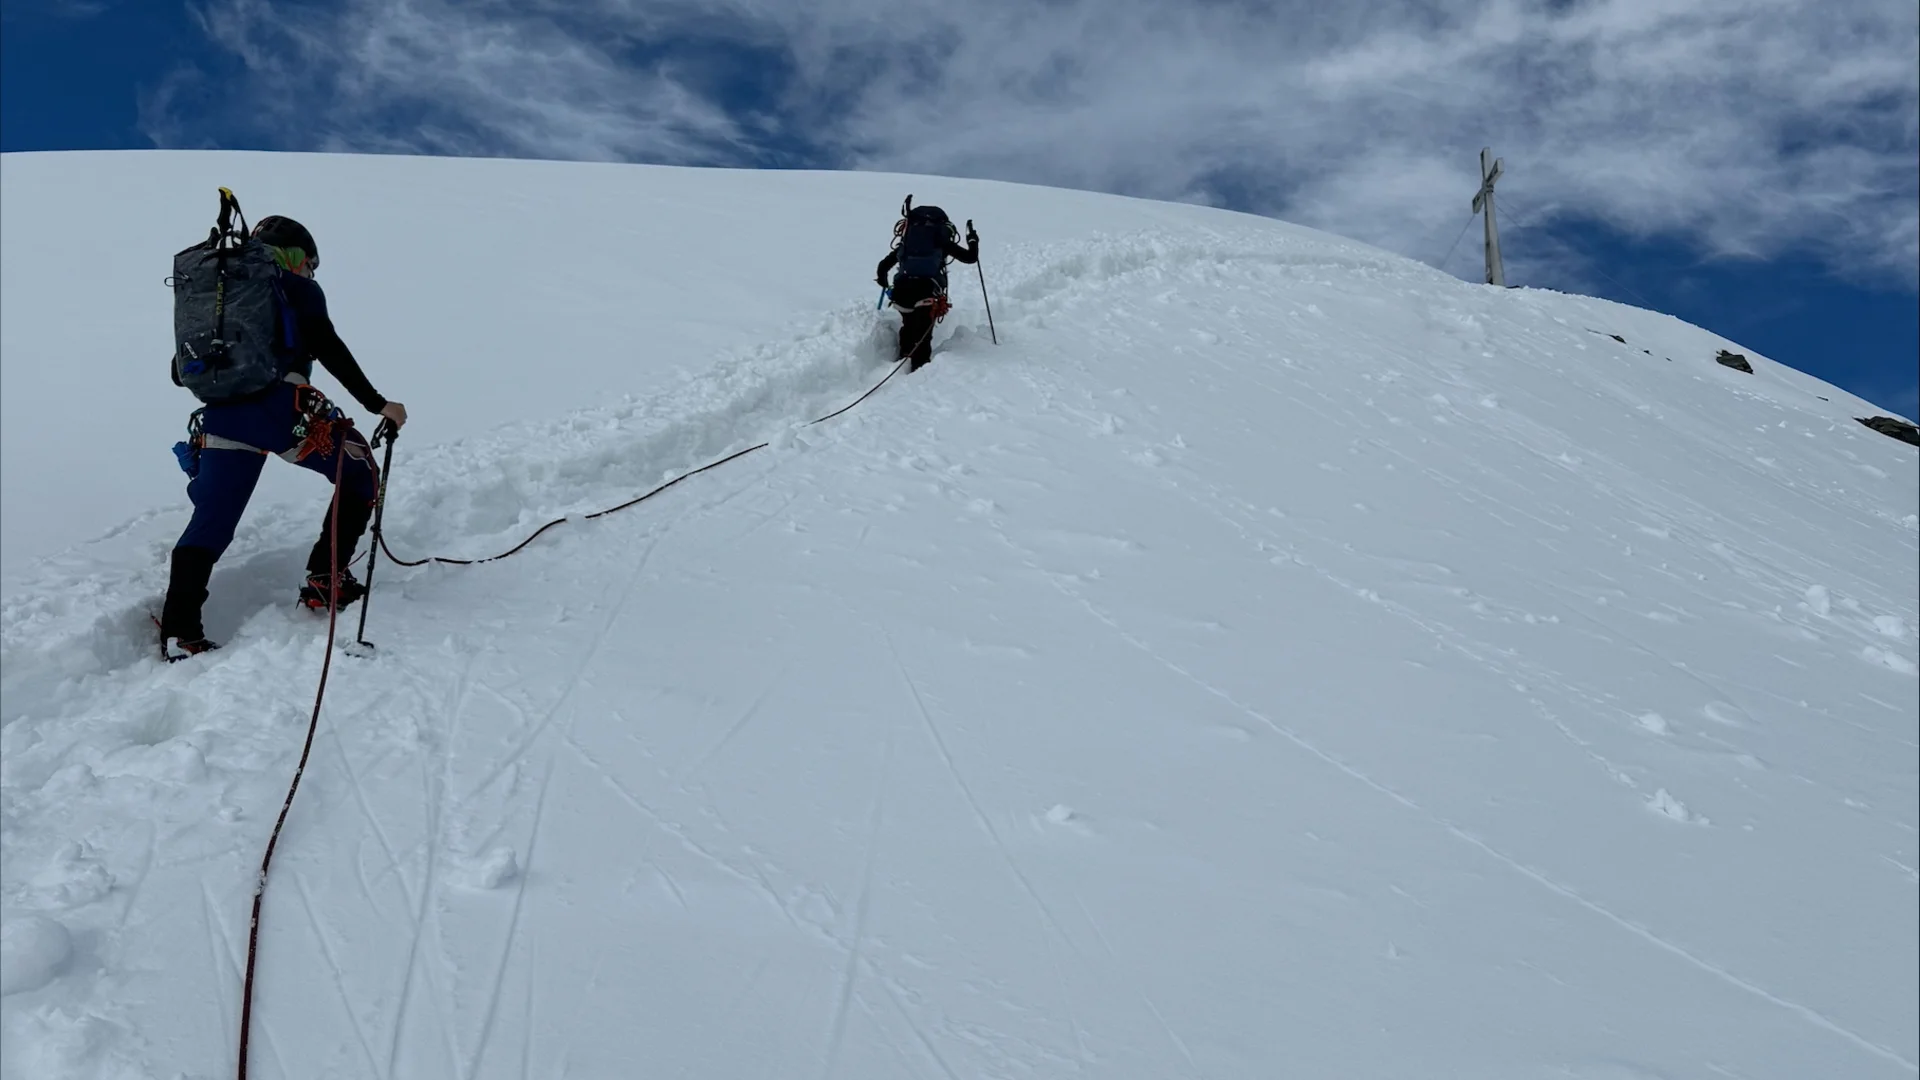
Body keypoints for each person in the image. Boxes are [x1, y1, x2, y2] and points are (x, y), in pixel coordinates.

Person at [158, 215, 408, 660]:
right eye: (310, 264)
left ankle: (180, 630)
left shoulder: (216, 293)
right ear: (297, 257)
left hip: (220, 417)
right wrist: (378, 403)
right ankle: (326, 579)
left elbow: (180, 370)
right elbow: (329, 346)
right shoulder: (295, 288)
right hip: (282, 410)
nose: (311, 273)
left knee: (212, 522)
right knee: (360, 472)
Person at [875, 205, 978, 372]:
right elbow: (970, 258)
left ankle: (902, 362)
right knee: (922, 336)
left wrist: (884, 283)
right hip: (926, 292)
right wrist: (973, 240)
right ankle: (917, 373)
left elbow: (882, 267)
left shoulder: (906, 244)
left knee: (908, 327)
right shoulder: (940, 241)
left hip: (902, 292)